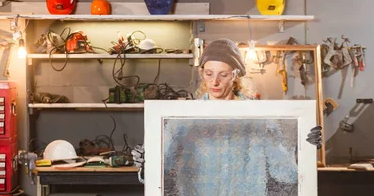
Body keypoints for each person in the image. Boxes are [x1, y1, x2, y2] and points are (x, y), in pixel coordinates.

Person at [132, 38, 322, 184]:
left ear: (235, 76)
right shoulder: (183, 120)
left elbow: (285, 174)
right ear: (202, 73)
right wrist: (146, 165)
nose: (214, 82)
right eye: (209, 74)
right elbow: (161, 173)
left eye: (223, 75)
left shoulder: (259, 119)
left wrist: (303, 150)